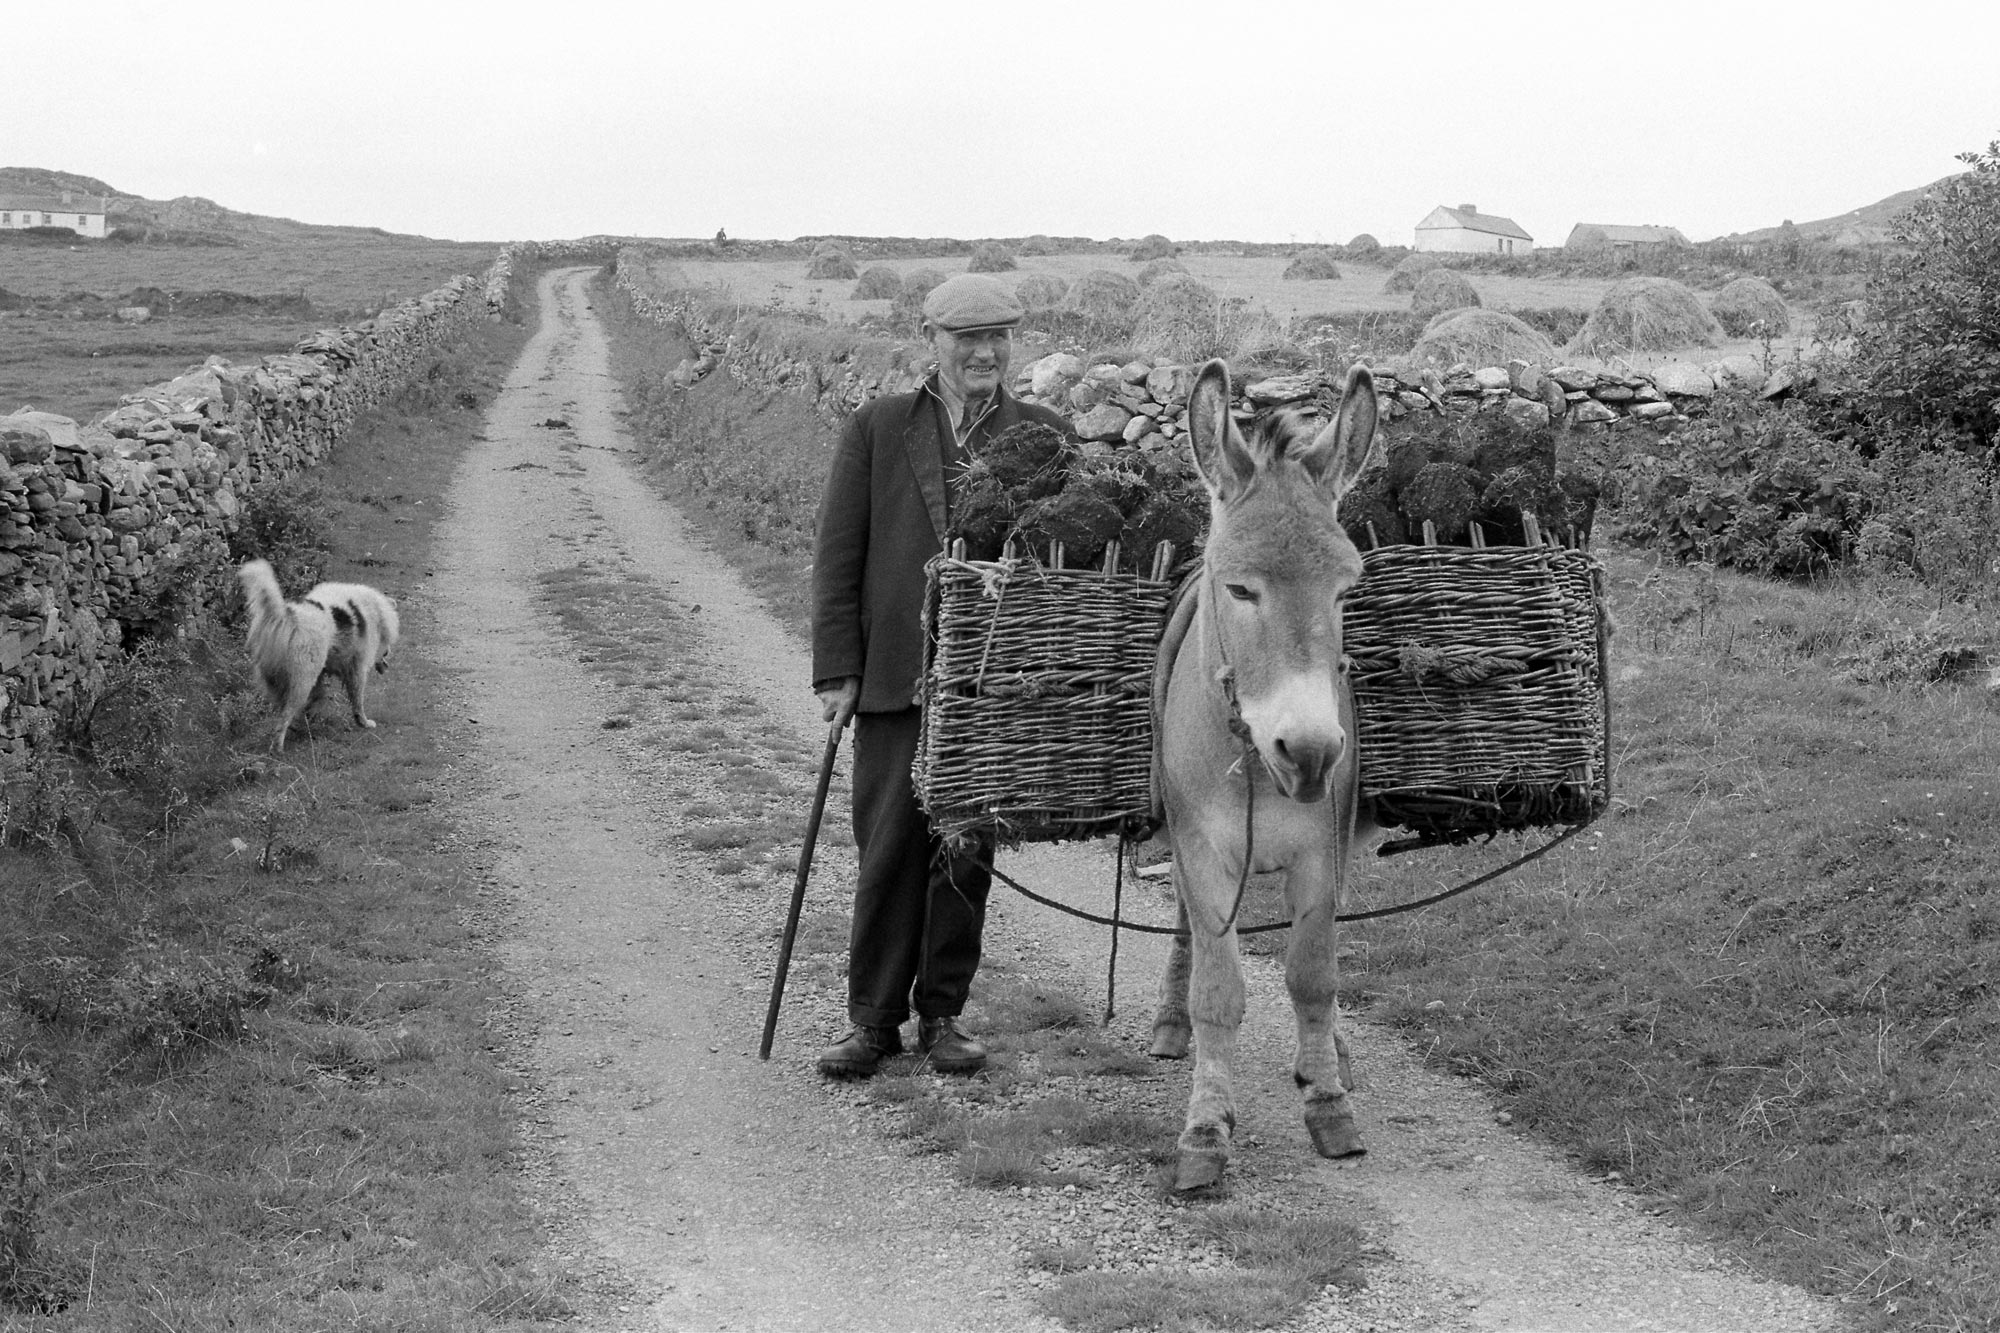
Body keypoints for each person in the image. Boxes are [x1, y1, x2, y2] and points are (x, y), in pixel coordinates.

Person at [810, 273, 1073, 1078]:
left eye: (999, 336)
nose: (985, 352)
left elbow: (1073, 565)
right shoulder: (880, 426)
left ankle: (943, 1015)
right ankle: (873, 1022)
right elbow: (839, 552)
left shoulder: (1047, 436)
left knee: (964, 854)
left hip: (992, 688)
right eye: (968, 337)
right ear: (934, 339)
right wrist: (839, 669)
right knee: (888, 846)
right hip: (896, 673)